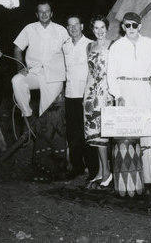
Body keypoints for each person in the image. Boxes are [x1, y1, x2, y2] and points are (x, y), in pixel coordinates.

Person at [107, 12, 151, 185]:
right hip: (124, 90)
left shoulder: (150, 44)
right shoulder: (116, 46)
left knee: (148, 132)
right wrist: (118, 95)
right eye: (127, 25)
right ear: (123, 26)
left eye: (134, 25)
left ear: (140, 26)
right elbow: (111, 73)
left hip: (144, 89)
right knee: (127, 134)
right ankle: (128, 178)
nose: (131, 28)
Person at [11, 0, 70, 118]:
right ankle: (27, 114)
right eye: (41, 12)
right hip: (34, 72)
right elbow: (17, 49)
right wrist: (20, 67)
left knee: (46, 112)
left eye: (47, 11)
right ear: (37, 14)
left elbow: (69, 51)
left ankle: (44, 133)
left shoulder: (61, 30)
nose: (44, 14)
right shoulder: (29, 28)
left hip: (54, 75)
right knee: (17, 80)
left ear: (51, 13)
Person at [63, 15, 99, 180]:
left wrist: (90, 93)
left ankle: (93, 170)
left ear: (82, 26)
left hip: (86, 96)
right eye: (70, 26)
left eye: (76, 25)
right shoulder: (65, 46)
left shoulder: (90, 45)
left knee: (88, 134)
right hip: (70, 95)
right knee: (73, 134)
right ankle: (77, 166)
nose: (73, 28)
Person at [83, 15, 114, 187]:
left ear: (107, 28)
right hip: (91, 94)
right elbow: (89, 72)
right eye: (96, 28)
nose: (100, 31)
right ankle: (102, 171)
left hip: (106, 92)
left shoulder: (113, 44)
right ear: (92, 29)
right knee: (93, 135)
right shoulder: (89, 46)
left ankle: (108, 172)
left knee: (102, 134)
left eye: (102, 27)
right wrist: (85, 94)